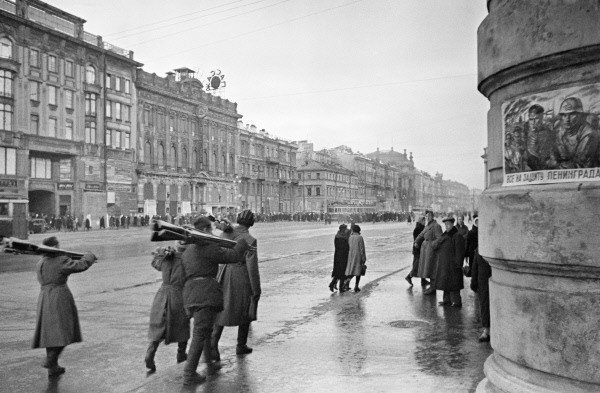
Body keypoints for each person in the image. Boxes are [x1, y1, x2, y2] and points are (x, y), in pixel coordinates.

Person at [181, 216, 248, 386]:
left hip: (191, 294)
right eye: (209, 229)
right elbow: (232, 256)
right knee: (200, 333)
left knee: (204, 330)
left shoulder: (189, 248)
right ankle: (189, 374)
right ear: (204, 230)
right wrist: (242, 243)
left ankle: (209, 360)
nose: (211, 232)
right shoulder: (205, 245)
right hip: (204, 294)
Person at [32, 236, 97, 378]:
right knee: (66, 330)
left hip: (44, 298)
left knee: (50, 334)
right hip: (59, 297)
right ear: (55, 246)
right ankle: (50, 360)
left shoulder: (41, 262)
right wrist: (90, 257)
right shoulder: (60, 260)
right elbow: (81, 265)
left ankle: (53, 367)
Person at [212, 210, 261, 362]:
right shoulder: (250, 240)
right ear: (251, 223)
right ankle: (241, 345)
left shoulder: (224, 234)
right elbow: (252, 267)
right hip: (240, 276)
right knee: (245, 308)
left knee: (221, 309)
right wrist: (256, 289)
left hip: (222, 273)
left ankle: (213, 345)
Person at [144, 244, 190, 373]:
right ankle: (181, 354)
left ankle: (150, 353)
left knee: (159, 325)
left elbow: (155, 263)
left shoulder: (167, 257)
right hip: (179, 295)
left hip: (162, 294)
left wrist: (161, 252)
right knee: (182, 324)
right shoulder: (187, 259)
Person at [554, 97, 600, 168]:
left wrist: (557, 165)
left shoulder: (589, 133)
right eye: (564, 115)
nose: (567, 119)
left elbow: (581, 162)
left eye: (572, 114)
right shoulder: (559, 132)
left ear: (580, 115)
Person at [432, 217, 465, 307]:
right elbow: (434, 246)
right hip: (445, 264)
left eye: (448, 224)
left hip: (453, 264)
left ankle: (457, 302)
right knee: (445, 283)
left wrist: (459, 264)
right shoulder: (444, 235)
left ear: (452, 224)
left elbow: (460, 251)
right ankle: (446, 301)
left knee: (454, 284)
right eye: (445, 224)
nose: (446, 226)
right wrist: (440, 240)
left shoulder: (457, 235)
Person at [415, 210, 443, 295]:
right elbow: (421, 234)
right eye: (427, 216)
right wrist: (416, 241)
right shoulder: (427, 226)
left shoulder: (436, 226)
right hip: (426, 250)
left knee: (432, 269)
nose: (428, 217)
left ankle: (433, 287)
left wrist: (433, 244)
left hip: (432, 251)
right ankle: (431, 286)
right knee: (428, 269)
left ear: (433, 216)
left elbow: (440, 238)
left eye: (429, 216)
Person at [470, 248, 491, 342]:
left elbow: (475, 268)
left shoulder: (480, 249)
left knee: (485, 305)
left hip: (483, 281)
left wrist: (474, 284)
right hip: (488, 279)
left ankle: (487, 331)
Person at [344, 224, 367, 292]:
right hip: (358, 256)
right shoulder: (360, 237)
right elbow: (362, 248)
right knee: (358, 272)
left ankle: (347, 283)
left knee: (351, 271)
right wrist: (363, 258)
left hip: (350, 256)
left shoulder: (350, 237)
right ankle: (356, 286)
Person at [405, 216, 426, 286]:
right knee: (416, 266)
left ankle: (423, 280)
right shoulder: (418, 229)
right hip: (418, 250)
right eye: (423, 221)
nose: (425, 222)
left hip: (421, 249)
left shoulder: (422, 228)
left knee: (422, 265)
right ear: (421, 221)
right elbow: (417, 240)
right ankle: (409, 277)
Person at [330, 224, 350, 292]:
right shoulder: (341, 237)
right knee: (342, 272)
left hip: (338, 255)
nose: (346, 230)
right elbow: (344, 247)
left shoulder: (338, 236)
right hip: (342, 256)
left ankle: (333, 284)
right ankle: (340, 288)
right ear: (343, 229)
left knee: (339, 272)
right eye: (345, 229)